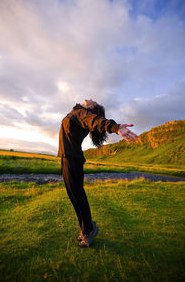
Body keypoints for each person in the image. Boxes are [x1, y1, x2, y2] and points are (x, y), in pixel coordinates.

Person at [58, 99, 138, 247]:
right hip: (68, 158)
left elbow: (96, 120)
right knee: (75, 197)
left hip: (72, 160)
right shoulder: (77, 113)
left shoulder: (82, 113)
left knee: (78, 197)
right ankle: (86, 229)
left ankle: (89, 230)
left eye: (93, 101)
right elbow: (93, 120)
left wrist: (115, 127)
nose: (90, 98)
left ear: (92, 108)